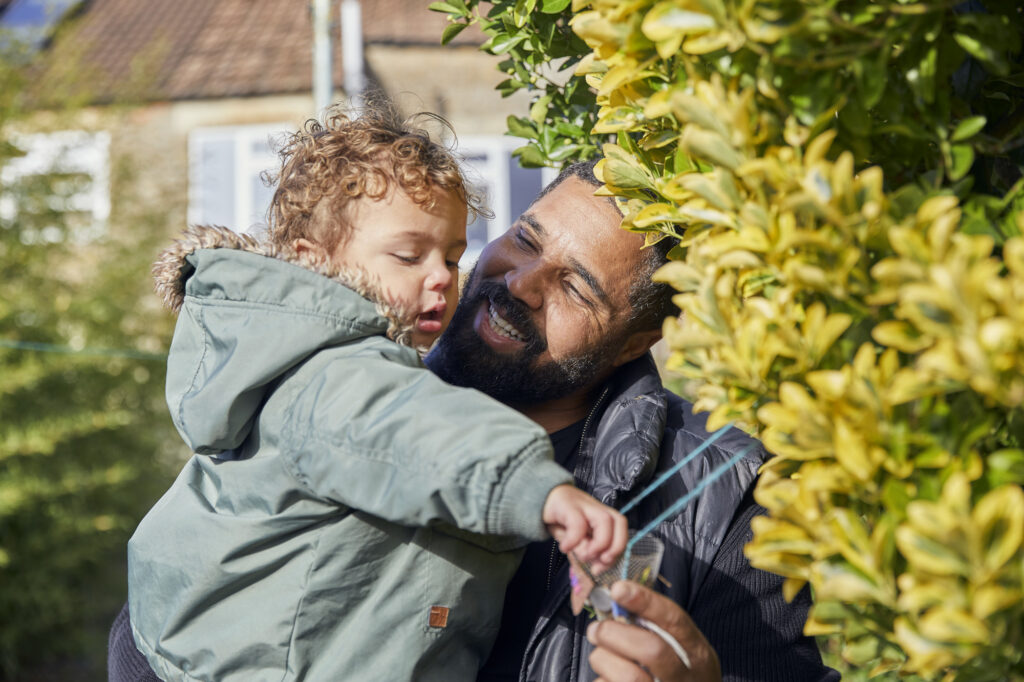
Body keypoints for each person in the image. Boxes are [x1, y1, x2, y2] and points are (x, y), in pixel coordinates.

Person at [111, 158, 838, 682]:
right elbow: (180, 598)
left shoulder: (716, 498)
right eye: (526, 238)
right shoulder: (346, 385)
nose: (519, 283)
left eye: (576, 287)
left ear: (637, 341)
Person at [123, 108, 627, 682]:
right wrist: (536, 487)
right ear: (315, 263)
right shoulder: (335, 375)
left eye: (453, 256)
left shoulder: (343, 365)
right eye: (409, 256)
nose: (441, 277)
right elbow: (414, 431)